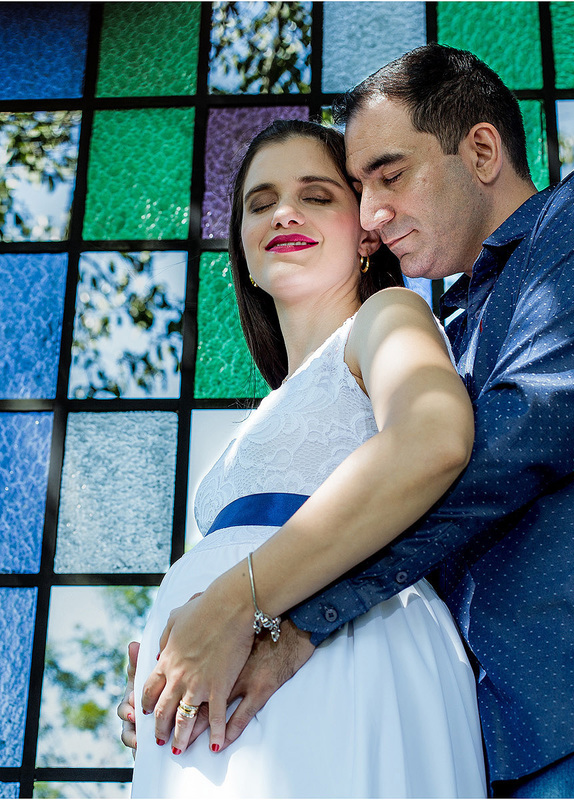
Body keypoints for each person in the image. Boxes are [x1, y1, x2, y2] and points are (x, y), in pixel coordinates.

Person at [130, 46, 574, 798]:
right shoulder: (451, 334)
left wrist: (272, 613)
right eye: (361, 190)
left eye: (389, 176)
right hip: (501, 740)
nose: (372, 214)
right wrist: (180, 656)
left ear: (480, 151)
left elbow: (518, 436)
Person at [128, 118, 487, 797]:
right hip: (223, 700)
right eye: (260, 203)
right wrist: (170, 656)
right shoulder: (257, 421)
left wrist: (229, 603)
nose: (283, 212)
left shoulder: (386, 318)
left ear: (367, 235)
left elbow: (433, 437)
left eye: (316, 196)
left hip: (344, 653)